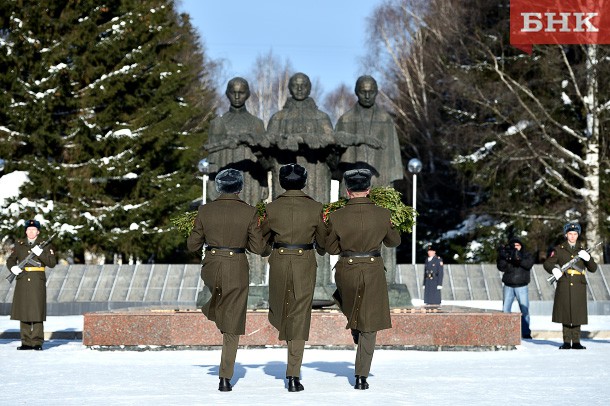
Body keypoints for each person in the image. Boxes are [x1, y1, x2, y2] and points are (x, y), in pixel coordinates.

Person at [187, 169, 267, 391]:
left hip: (211, 266)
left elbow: (192, 245)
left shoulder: (205, 210)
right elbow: (259, 248)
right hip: (235, 266)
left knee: (224, 304)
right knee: (232, 323)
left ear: (218, 187)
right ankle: (225, 377)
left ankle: (220, 314)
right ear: (240, 188)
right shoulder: (249, 212)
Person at [325, 169, 401, 390]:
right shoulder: (383, 214)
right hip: (372, 268)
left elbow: (330, 247)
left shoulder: (336, 216)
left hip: (346, 268)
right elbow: (393, 242)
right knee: (369, 325)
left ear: (348, 191)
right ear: (368, 190)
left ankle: (357, 327)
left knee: (353, 308)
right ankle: (361, 376)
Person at [261, 163, 327, 392]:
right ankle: (293, 374)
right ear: (304, 181)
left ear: (281, 182)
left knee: (281, 311)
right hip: (304, 261)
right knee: (299, 315)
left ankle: (291, 365)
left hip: (279, 260)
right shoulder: (316, 207)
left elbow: (261, 246)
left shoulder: (271, 208)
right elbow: (324, 244)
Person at [335, 75, 403, 281]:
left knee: (385, 228)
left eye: (371, 91)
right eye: (363, 90)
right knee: (349, 229)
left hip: (380, 181)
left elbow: (393, 154)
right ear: (356, 91)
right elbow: (336, 157)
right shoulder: (345, 120)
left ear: (376, 91)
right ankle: (346, 278)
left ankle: (388, 279)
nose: (367, 94)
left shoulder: (385, 119)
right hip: (353, 186)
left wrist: (390, 185)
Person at [205, 77, 269, 285]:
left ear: (248, 94)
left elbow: (263, 159)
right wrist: (211, 185)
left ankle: (254, 280)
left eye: (242, 92)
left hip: (250, 182)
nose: (237, 96)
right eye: (233, 92)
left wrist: (264, 183)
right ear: (227, 93)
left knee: (251, 228)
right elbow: (212, 159)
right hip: (224, 184)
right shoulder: (219, 123)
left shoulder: (256, 124)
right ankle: (222, 279)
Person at [543, 222, 597, 350]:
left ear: (577, 235)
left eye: (575, 234)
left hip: (579, 284)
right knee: (565, 312)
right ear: (566, 235)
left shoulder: (583, 250)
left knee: (577, 312)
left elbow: (593, 268)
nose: (572, 236)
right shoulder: (559, 249)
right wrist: (554, 270)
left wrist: (588, 258)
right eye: (570, 234)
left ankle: (577, 341)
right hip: (565, 282)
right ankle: (567, 341)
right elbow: (547, 263)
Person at [7, 219, 57, 350]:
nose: (31, 232)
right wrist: (13, 268)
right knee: (23, 311)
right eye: (29, 230)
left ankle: (37, 342)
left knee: (37, 312)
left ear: (38, 231)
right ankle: (26, 342)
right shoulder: (19, 244)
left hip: (37, 281)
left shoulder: (45, 245)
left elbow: (51, 263)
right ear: (26, 231)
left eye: (33, 230)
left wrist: (40, 253)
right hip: (22, 279)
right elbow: (10, 260)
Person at [496, 237, 535, 339]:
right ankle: (505, 332)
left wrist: (518, 258)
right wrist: (502, 257)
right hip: (508, 286)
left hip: (522, 286)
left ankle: (526, 332)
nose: (516, 248)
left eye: (518, 245)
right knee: (505, 310)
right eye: (514, 246)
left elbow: (528, 265)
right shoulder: (507, 255)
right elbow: (501, 267)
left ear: (521, 246)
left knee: (524, 310)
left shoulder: (526, 255)